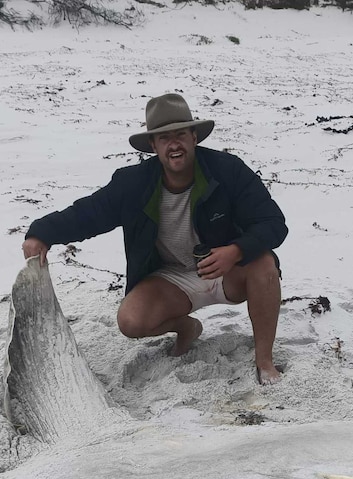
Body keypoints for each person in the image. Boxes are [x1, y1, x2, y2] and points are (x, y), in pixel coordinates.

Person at [22, 93, 288, 385]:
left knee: (264, 265)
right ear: (153, 145)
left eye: (180, 135)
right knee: (131, 321)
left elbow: (273, 224)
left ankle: (264, 362)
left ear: (194, 137)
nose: (174, 144)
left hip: (228, 271)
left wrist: (235, 251)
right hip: (172, 279)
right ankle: (187, 328)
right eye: (164, 138)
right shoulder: (132, 183)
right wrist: (41, 232)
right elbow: (89, 213)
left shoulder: (228, 170)